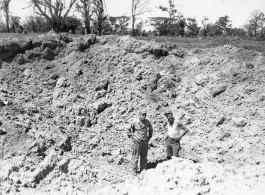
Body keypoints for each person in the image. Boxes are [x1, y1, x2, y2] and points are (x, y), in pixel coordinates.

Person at [127, 110, 153, 175]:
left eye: (145, 115)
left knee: (144, 156)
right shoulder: (134, 122)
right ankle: (134, 170)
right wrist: (133, 137)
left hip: (145, 141)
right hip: (137, 141)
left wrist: (149, 137)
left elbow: (151, 129)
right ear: (139, 115)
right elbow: (127, 129)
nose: (144, 116)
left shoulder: (147, 122)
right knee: (135, 156)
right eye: (142, 115)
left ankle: (143, 170)